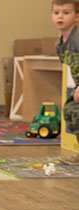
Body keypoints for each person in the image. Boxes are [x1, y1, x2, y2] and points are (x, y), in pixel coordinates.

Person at [53, 0, 79, 165]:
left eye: (66, 12)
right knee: (70, 110)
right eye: (56, 12)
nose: (60, 16)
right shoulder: (60, 45)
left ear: (76, 17)